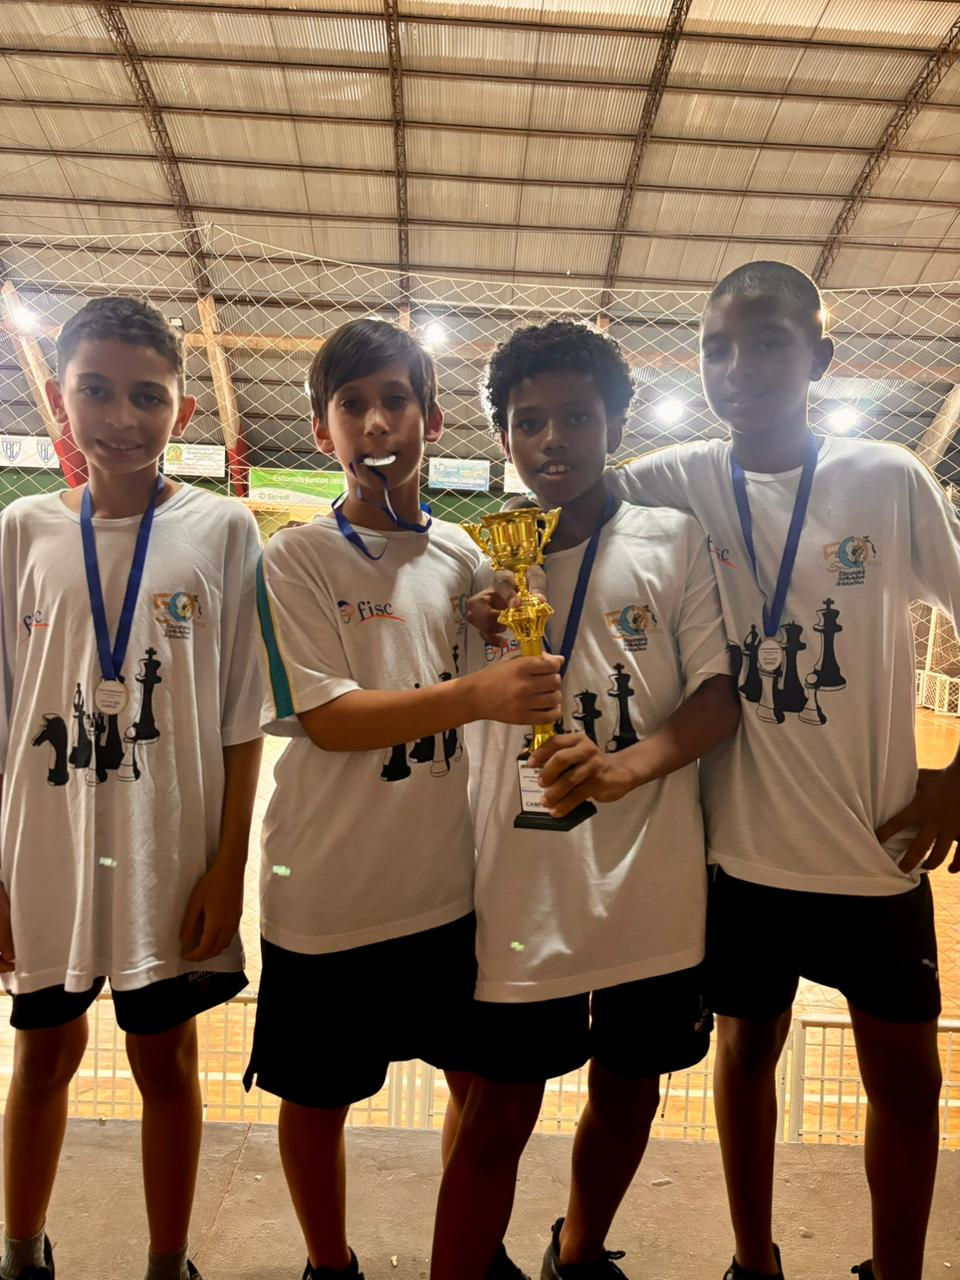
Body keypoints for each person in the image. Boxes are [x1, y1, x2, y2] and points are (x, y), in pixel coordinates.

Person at [607, 262, 960, 1280]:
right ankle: (752, 1259)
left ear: (820, 357)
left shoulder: (888, 479)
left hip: (874, 848)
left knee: (910, 1082)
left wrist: (956, 772)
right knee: (745, 1052)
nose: (739, 367)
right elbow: (563, 500)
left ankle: (896, 1271)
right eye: (717, 347)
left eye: (768, 343)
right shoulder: (669, 479)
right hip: (739, 853)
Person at [245, 318, 563, 1280]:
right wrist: (481, 690)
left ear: (432, 419)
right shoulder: (297, 558)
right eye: (353, 405)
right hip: (328, 895)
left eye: (395, 400)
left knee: (477, 1081)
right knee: (317, 1100)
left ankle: (467, 1250)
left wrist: (496, 629)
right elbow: (330, 719)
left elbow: (489, 676)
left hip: (446, 891)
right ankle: (328, 1264)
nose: (377, 422)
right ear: (323, 430)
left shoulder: (467, 554)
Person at [431, 319, 740, 1280]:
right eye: (529, 422)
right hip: (525, 881)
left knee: (631, 1089)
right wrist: (474, 629)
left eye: (575, 417)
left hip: (651, 872)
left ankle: (579, 1251)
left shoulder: (672, 539)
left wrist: (621, 770)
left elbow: (717, 697)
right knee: (498, 1111)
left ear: (615, 423)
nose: (552, 440)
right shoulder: (485, 565)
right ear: (504, 436)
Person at [0, 297, 264, 1280]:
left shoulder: (224, 528)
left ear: (182, 410)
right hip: (48, 854)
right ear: (58, 398)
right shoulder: (21, 530)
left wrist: (229, 870)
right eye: (97, 391)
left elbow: (242, 719)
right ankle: (20, 1250)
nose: (122, 416)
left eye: (147, 396)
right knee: (42, 1059)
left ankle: (167, 1260)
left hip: (171, 856)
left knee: (167, 1063)